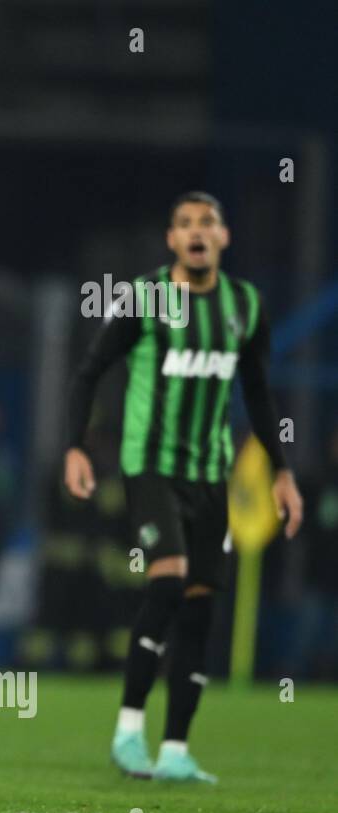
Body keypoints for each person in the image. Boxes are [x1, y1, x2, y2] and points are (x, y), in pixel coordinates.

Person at [64, 191, 304, 782]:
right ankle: (127, 732)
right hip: (151, 468)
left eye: (208, 222)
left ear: (223, 237)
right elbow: (91, 369)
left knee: (200, 606)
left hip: (209, 475)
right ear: (172, 239)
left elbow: (257, 392)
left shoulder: (244, 305)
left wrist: (282, 471)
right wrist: (75, 446)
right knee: (168, 579)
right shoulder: (145, 298)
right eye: (186, 223)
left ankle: (174, 749)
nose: (198, 232)